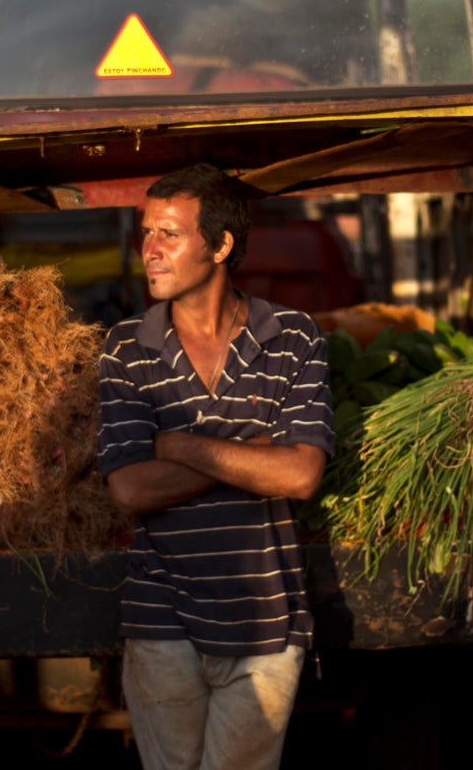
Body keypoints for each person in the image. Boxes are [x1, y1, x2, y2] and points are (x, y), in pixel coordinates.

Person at [96, 163, 333, 770]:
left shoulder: (293, 338)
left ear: (221, 245)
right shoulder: (126, 348)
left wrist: (184, 447)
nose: (149, 249)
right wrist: (251, 451)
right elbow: (128, 488)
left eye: (168, 234)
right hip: (160, 622)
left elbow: (301, 475)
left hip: (266, 625)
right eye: (146, 232)